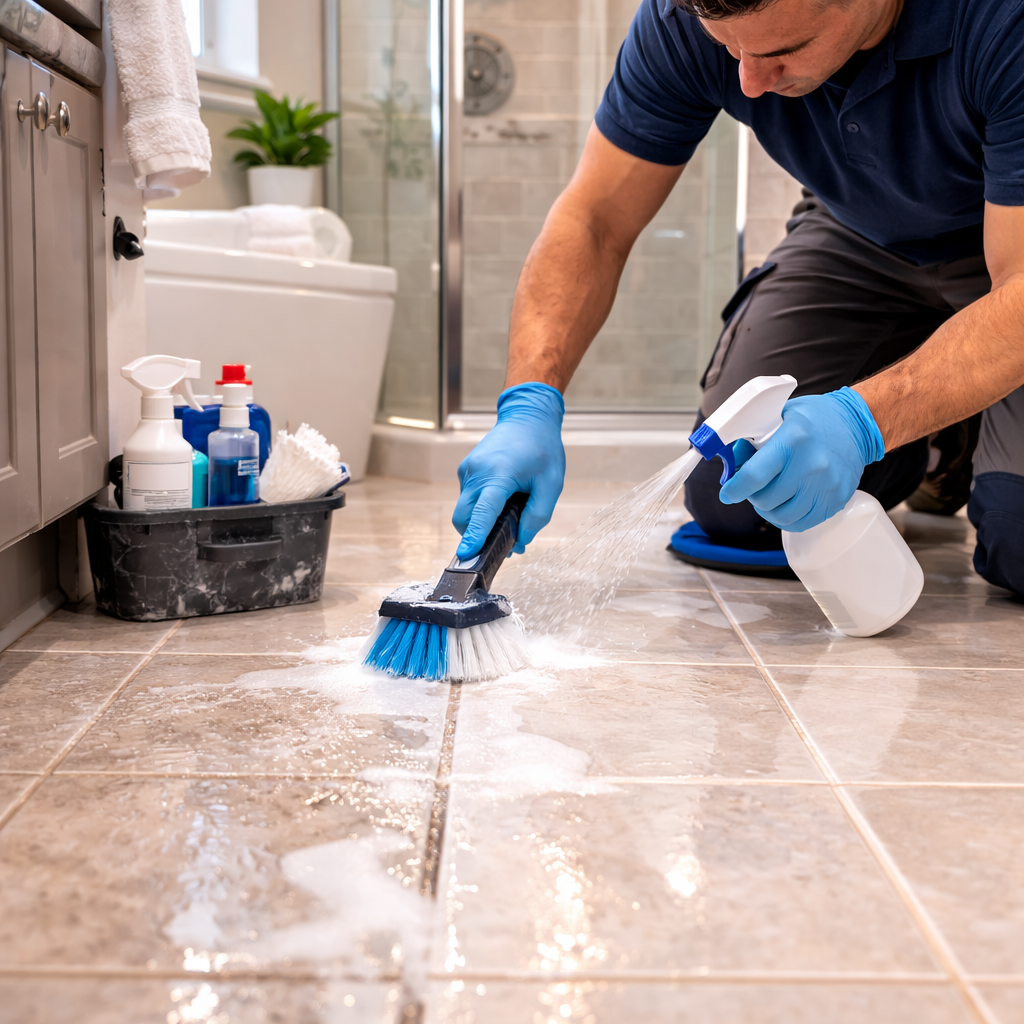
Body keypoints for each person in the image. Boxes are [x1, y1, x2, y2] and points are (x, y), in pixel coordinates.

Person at [452, 0, 1024, 596]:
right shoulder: (681, 20)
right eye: (729, 49)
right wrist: (529, 403)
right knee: (741, 495)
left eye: (784, 51)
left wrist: (864, 421)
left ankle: (959, 407)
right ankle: (944, 444)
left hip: (1010, 255)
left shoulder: (1001, 21)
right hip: (860, 234)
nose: (750, 81)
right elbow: (594, 220)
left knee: (1019, 540)